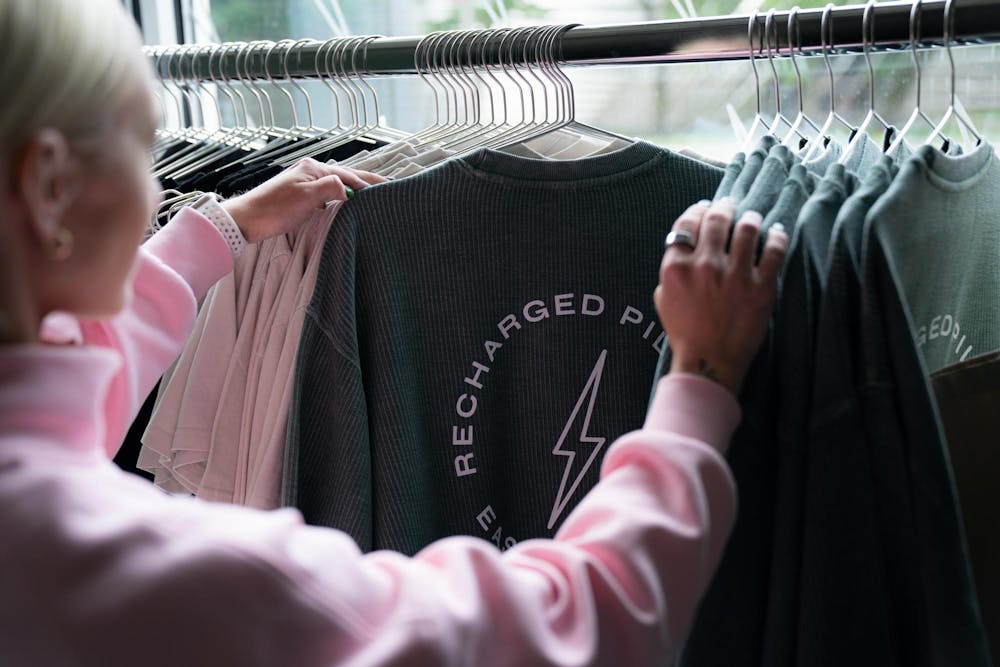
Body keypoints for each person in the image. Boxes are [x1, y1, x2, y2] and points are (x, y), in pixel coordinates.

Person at [0, 0, 788, 664]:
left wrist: (220, 232)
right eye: (144, 146)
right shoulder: (167, 573)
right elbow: (582, 622)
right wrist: (700, 378)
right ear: (50, 186)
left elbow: (77, 386)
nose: (154, 193)